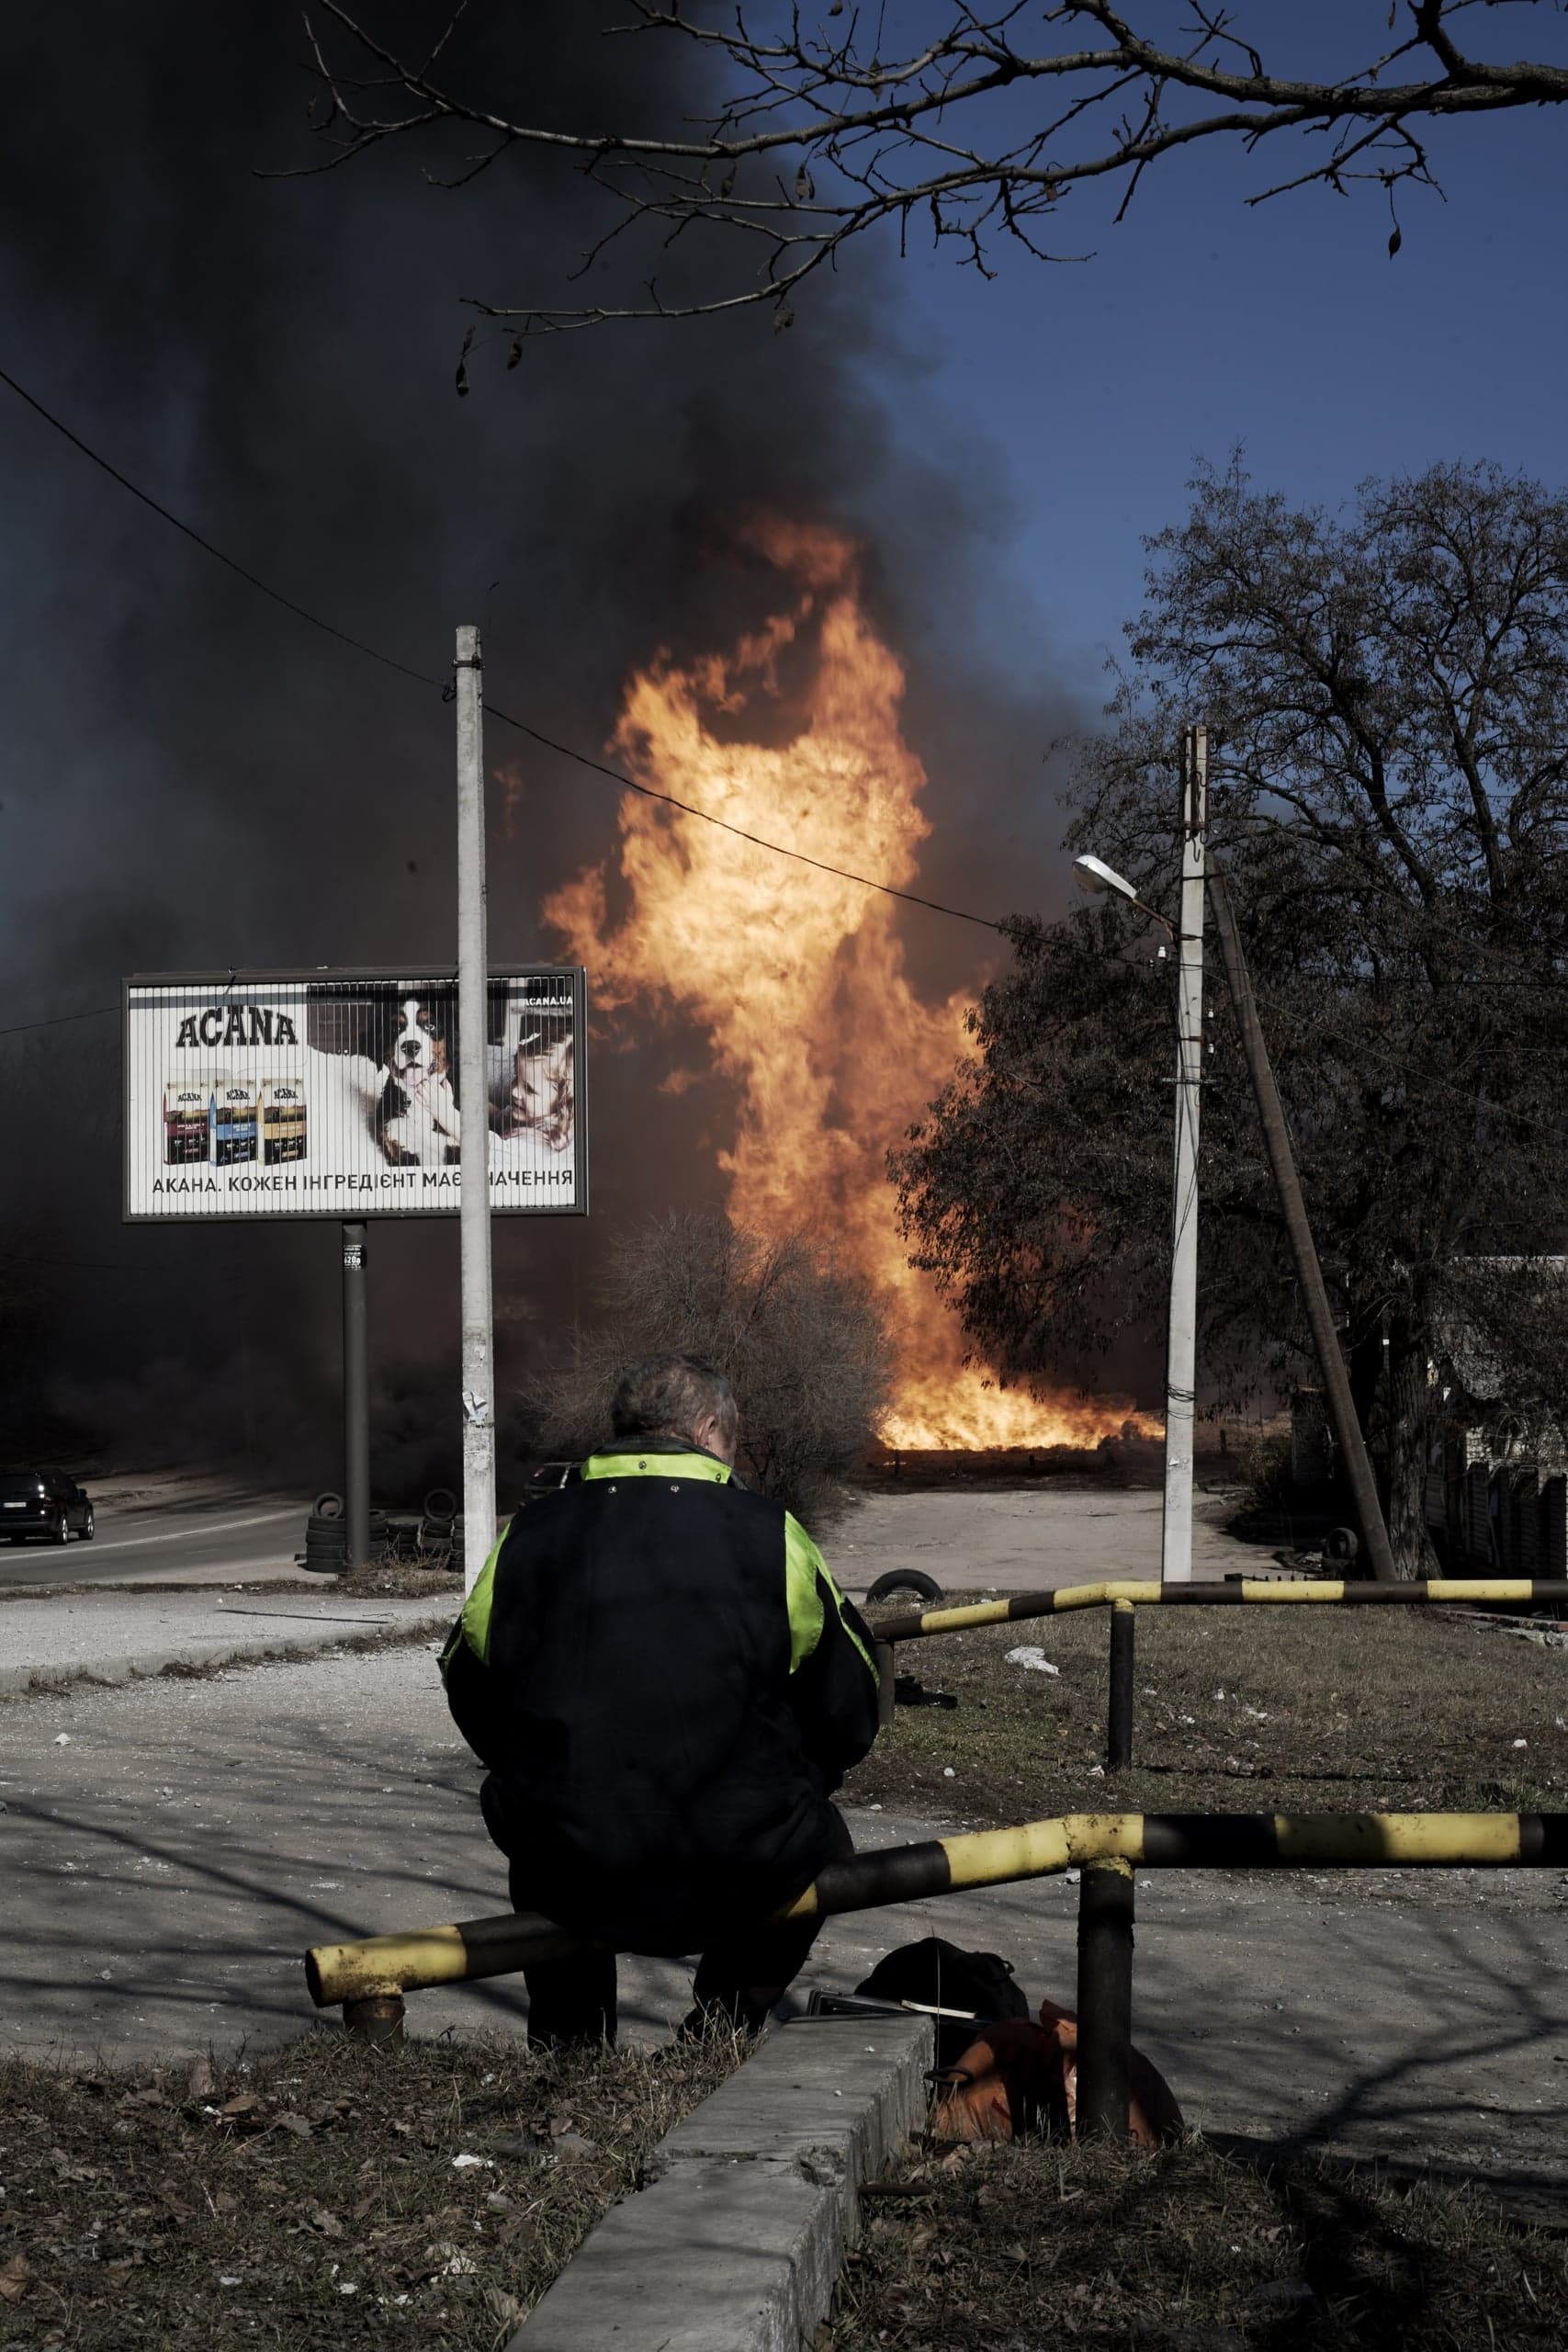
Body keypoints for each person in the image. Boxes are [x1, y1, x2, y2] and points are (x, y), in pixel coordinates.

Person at [440, 1352, 880, 2045]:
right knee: (826, 1847)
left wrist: (538, 1765)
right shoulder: (771, 1535)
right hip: (739, 1859)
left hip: (572, 1862)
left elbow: (467, 1676)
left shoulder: (529, 1534)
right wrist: (799, 1777)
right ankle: (719, 2031)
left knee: (544, 1844)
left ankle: (570, 2052)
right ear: (708, 1431)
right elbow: (850, 1706)